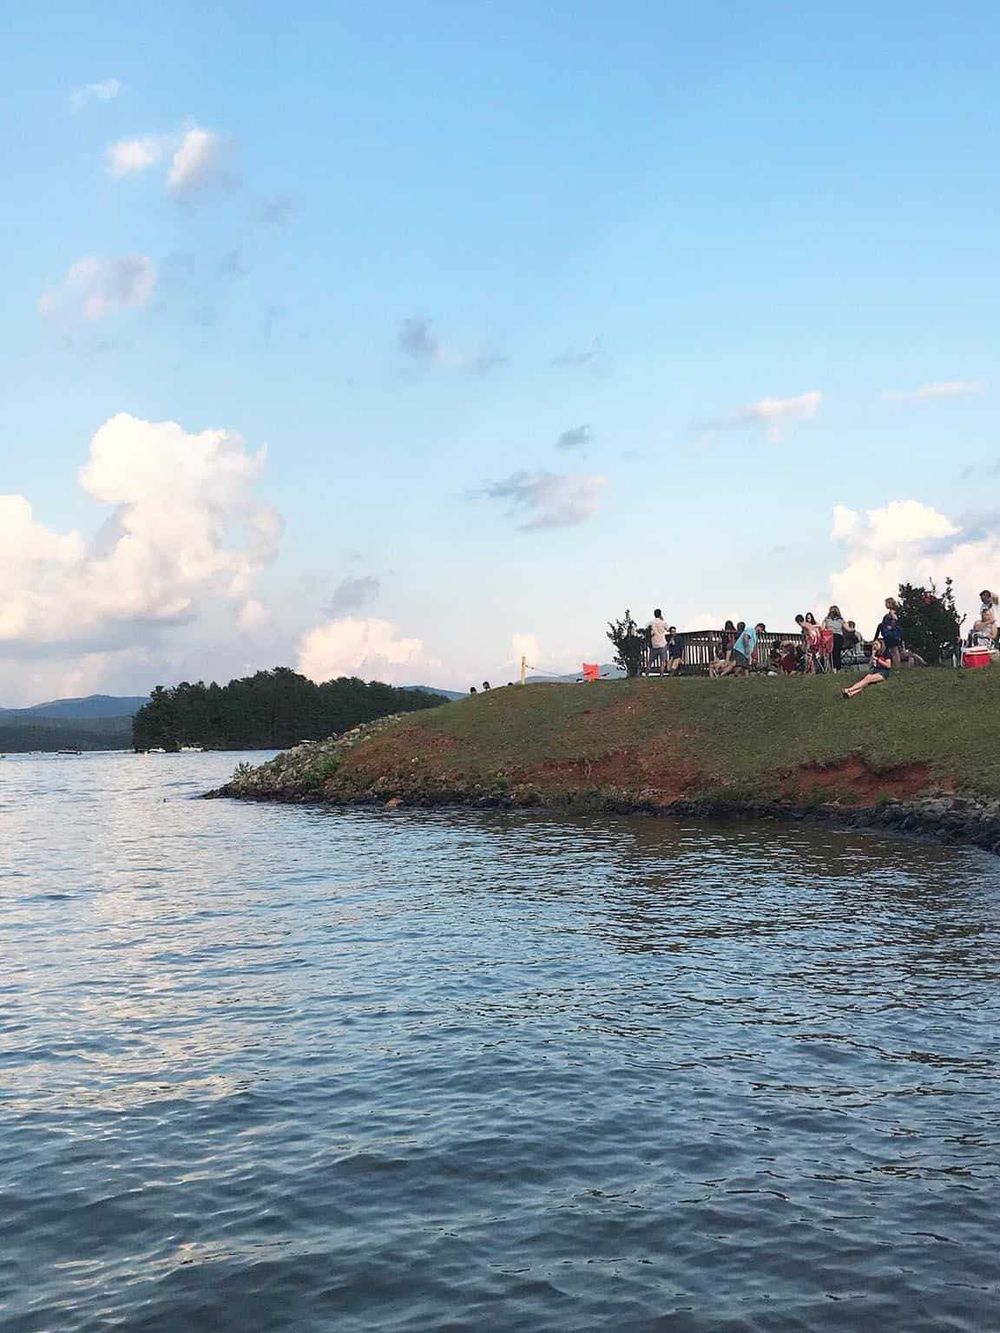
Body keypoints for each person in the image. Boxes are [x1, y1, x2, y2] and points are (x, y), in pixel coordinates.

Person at [877, 598, 903, 667]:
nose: (885, 605)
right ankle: (895, 665)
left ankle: (897, 666)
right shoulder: (889, 614)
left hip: (892, 634)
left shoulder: (892, 612)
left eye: (886, 603)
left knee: (894, 650)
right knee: (892, 650)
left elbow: (895, 620)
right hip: (890, 634)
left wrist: (891, 626)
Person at [823, 605, 845, 671]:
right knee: (832, 652)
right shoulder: (827, 619)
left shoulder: (840, 620)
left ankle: (836, 668)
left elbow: (847, 628)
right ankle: (834, 668)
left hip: (836, 636)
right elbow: (823, 627)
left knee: (835, 652)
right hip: (830, 636)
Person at [648, 608, 669, 674]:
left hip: (654, 644)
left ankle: (647, 674)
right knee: (662, 661)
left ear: (654, 614)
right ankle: (661, 675)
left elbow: (647, 629)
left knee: (650, 661)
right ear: (660, 614)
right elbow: (668, 629)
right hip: (662, 643)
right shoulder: (663, 622)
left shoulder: (651, 623)